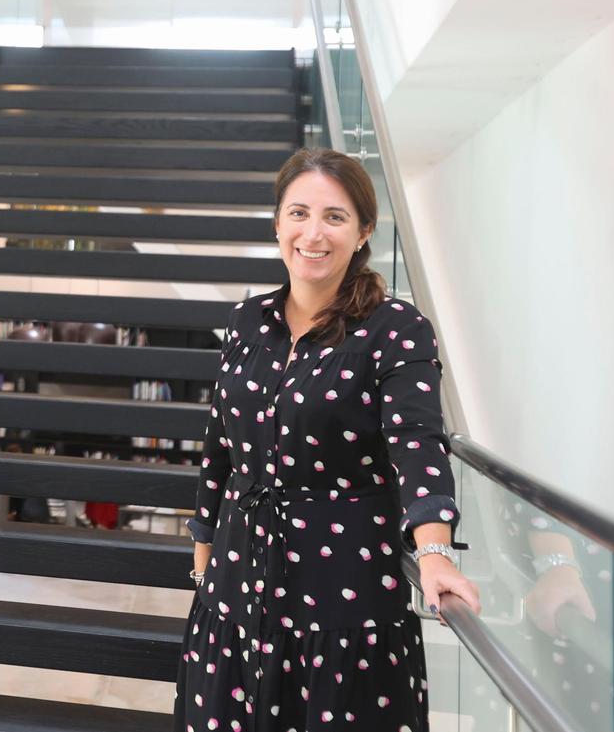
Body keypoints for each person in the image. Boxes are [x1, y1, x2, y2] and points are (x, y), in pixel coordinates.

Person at [175, 148, 480, 731]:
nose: (313, 233)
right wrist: (203, 546)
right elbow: (220, 445)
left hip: (344, 596)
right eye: (299, 213)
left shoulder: (396, 330)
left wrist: (435, 551)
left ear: (364, 231)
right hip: (236, 588)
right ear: (277, 223)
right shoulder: (246, 321)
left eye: (335, 217)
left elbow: (416, 439)